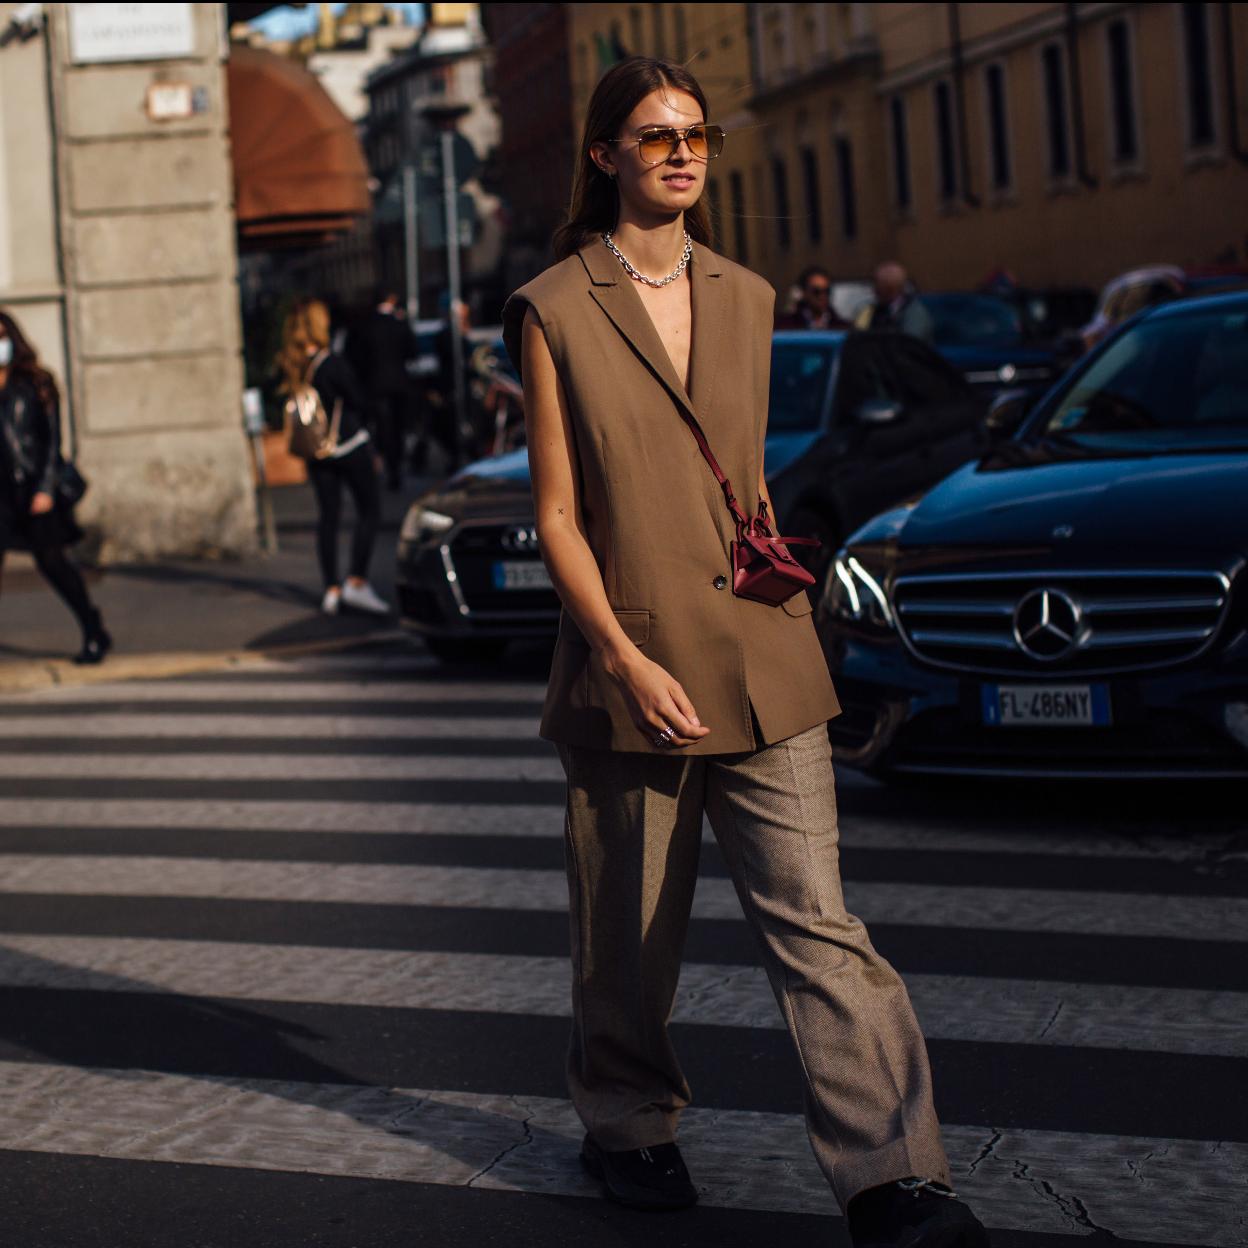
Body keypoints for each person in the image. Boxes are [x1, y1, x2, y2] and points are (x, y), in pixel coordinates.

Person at [500, 56, 988, 1248]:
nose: (680, 152)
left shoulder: (753, 295)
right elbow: (559, 515)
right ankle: (628, 1125)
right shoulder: (556, 307)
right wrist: (614, 654)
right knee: (627, 935)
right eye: (655, 135)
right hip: (635, 662)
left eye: (696, 136)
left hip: (763, 654)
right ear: (606, 154)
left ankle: (897, 1178)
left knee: (820, 921)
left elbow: (742, 475)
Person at [0, 309, 110, 664]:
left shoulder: (37, 383)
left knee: (53, 564)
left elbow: (52, 443)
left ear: (12, 340)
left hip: (34, 490)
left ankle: (93, 628)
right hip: (0, 494)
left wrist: (46, 489)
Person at [278, 299, 390, 617]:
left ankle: (331, 588)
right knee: (369, 511)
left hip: (318, 454)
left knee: (328, 518)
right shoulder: (332, 364)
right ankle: (356, 581)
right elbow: (359, 401)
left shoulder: (296, 367)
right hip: (350, 447)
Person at [347, 289, 419, 491]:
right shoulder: (400, 323)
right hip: (399, 384)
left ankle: (389, 466)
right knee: (397, 428)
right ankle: (396, 468)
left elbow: (357, 357)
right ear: (392, 299)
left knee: (383, 428)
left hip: (376, 386)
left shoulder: (366, 325)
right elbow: (412, 352)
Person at [856, 261, 935, 344]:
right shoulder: (874, 309)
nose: (873, 290)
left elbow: (909, 345)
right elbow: (860, 335)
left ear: (890, 290)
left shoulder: (914, 314)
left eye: (877, 285)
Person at [775, 264, 846, 330]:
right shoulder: (785, 326)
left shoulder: (842, 327)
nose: (822, 296)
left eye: (827, 291)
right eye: (816, 291)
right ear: (804, 292)